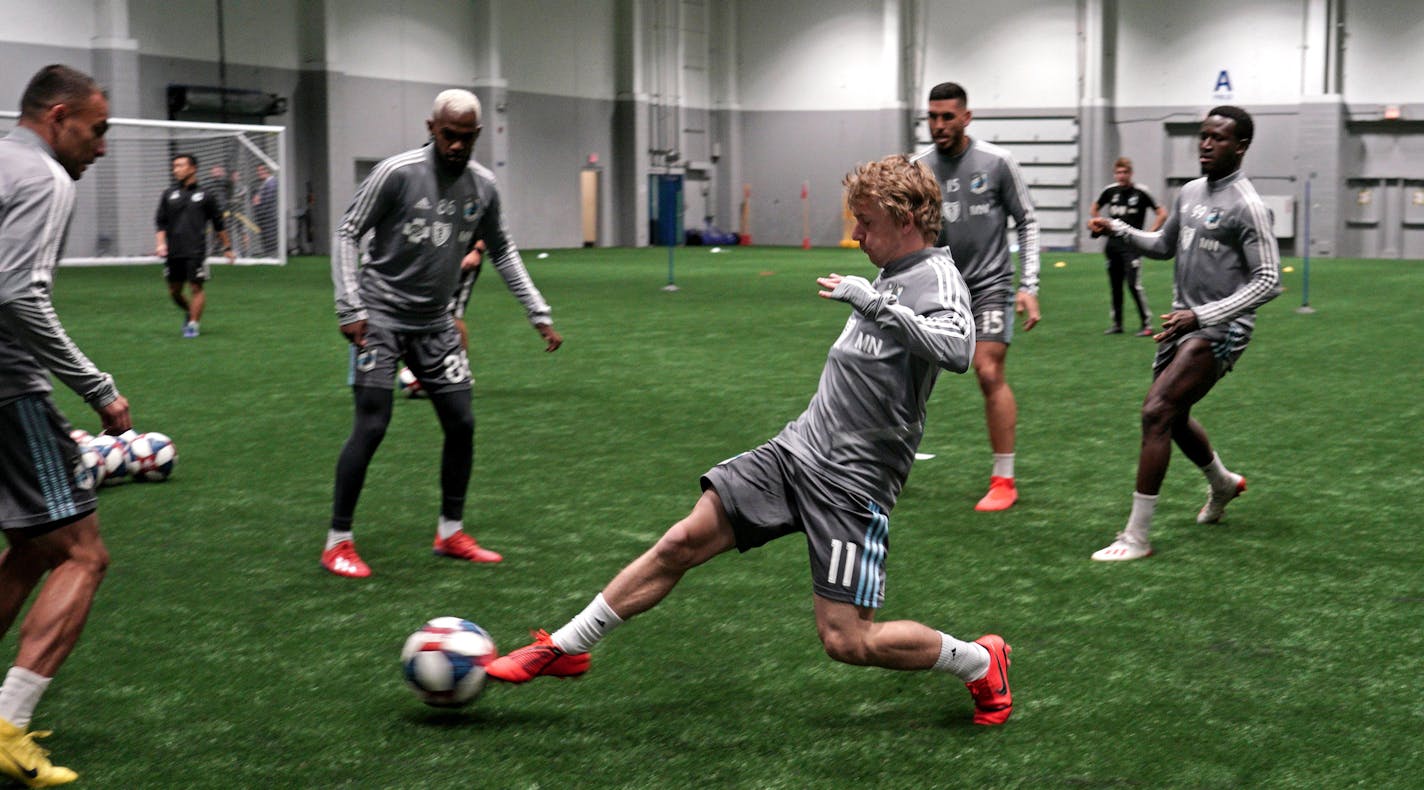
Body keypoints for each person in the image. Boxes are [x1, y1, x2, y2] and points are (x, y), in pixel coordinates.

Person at [487, 155, 1014, 727]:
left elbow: (959, 350)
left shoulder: (936, 277)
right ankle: (564, 646)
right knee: (680, 542)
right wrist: (875, 296)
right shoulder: (889, 272)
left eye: (865, 222)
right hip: (796, 452)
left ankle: (980, 661)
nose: (857, 234)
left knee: (847, 640)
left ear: (907, 218)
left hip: (852, 484)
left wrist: (872, 302)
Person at [325, 89, 563, 578]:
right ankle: (338, 541)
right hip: (381, 319)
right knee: (371, 426)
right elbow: (348, 231)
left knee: (462, 424)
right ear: (432, 128)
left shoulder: (483, 186)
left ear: (477, 135)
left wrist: (537, 312)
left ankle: (451, 531)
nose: (456, 145)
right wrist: (349, 305)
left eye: (465, 138)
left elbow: (503, 250)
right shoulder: (397, 173)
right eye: (448, 135)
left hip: (436, 324)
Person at [0, 63, 131, 788]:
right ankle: (8, 725)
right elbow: (17, 293)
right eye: (98, 128)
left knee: (30, 540)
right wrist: (96, 385)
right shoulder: (44, 178)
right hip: (6, 387)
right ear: (58, 117)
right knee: (83, 552)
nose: (103, 145)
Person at [1087, 106, 1281, 562]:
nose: (1207, 144)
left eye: (1218, 138)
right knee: (1172, 416)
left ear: (1241, 147)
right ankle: (1223, 483)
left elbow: (1269, 280)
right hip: (1186, 323)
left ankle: (1136, 538)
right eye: (1203, 136)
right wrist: (1116, 229)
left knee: (1156, 411)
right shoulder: (1191, 191)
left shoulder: (1248, 206)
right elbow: (1163, 246)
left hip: (1223, 329)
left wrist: (1205, 315)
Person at [911, 82, 1041, 512]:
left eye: (947, 116)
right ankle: (883, 463)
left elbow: (1028, 222)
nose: (939, 125)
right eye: (932, 116)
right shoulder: (919, 169)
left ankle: (1004, 479)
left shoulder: (998, 163)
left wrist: (1029, 286)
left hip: (990, 287)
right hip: (940, 289)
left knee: (988, 372)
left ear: (966, 117)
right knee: (904, 378)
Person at [155, 154, 234, 338]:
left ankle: (193, 325)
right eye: (174, 166)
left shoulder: (206, 195)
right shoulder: (168, 194)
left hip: (195, 250)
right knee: (174, 291)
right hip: (173, 251)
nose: (176, 169)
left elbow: (218, 224)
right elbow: (160, 222)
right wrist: (160, 244)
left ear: (193, 168)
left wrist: (227, 247)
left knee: (196, 288)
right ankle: (191, 312)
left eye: (180, 166)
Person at [1089, 157, 1165, 336]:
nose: (1121, 176)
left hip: (1132, 246)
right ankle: (1117, 324)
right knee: (1115, 285)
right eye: (1118, 173)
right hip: (1112, 245)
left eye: (1124, 172)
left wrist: (1148, 234)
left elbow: (1162, 213)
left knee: (1133, 284)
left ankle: (1146, 324)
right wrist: (1099, 223)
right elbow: (1094, 208)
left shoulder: (1141, 192)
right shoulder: (1109, 191)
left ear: (1130, 174)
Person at [252, 163, 278, 256]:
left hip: (269, 218)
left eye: (261, 170)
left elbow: (267, 201)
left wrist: (257, 203)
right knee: (266, 240)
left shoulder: (272, 182)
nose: (259, 173)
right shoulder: (264, 184)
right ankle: (269, 257)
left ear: (267, 170)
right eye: (258, 171)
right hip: (264, 218)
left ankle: (272, 258)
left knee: (270, 240)